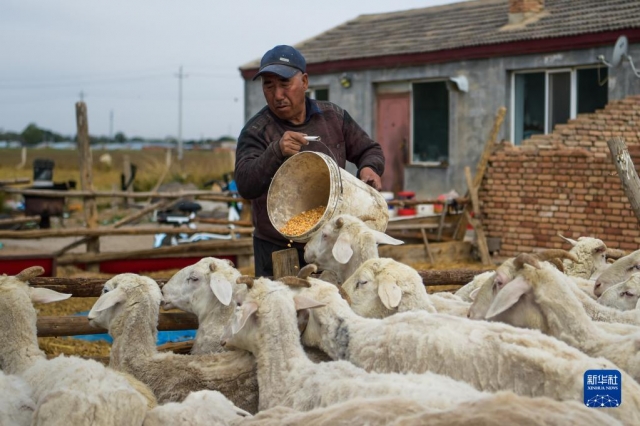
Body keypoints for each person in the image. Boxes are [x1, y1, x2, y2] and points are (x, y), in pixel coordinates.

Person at [235, 45, 385, 277]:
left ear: (304, 82)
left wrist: (370, 168)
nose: (277, 95)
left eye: (285, 84)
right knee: (282, 310)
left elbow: (369, 149)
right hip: (278, 249)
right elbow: (245, 184)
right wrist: (276, 151)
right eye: (269, 85)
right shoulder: (257, 131)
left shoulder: (333, 117)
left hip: (330, 245)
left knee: (331, 305)